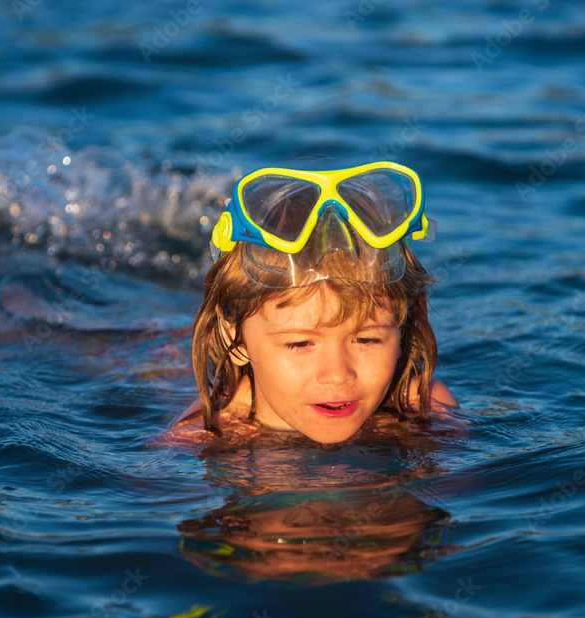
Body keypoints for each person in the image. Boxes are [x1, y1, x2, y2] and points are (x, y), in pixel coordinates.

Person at [164, 161, 459, 446]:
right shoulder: (202, 438)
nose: (338, 375)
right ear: (237, 339)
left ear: (401, 330)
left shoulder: (424, 409)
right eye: (300, 344)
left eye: (367, 339)